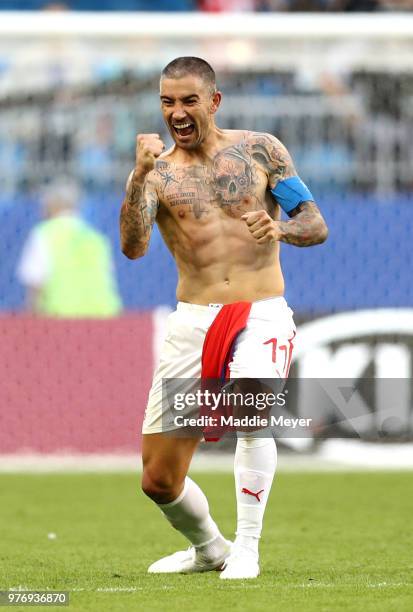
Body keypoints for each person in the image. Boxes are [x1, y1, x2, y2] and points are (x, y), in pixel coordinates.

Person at [120, 57, 328, 580]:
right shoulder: (157, 171)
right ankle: (211, 548)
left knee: (249, 414)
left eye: (189, 100)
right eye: (168, 102)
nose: (177, 112)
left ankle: (248, 549)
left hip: (260, 311)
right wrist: (139, 176)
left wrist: (280, 230)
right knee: (158, 480)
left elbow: (314, 223)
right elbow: (133, 247)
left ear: (213, 101)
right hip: (193, 319)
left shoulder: (262, 150)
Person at [17, 180, 122, 317]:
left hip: (62, 320)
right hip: (104, 318)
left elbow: (35, 286)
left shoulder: (43, 234)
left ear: (52, 205)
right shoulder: (97, 239)